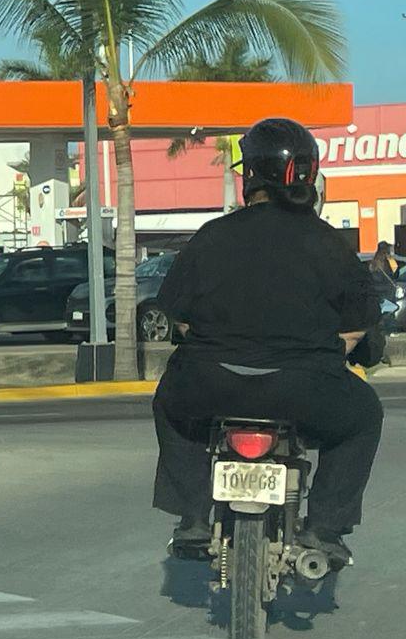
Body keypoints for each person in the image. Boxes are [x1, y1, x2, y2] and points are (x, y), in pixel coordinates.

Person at [150, 117, 383, 566]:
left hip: (210, 382)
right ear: (307, 175)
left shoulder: (212, 236)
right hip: (304, 389)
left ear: (251, 175)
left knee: (169, 404)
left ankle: (195, 516)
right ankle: (323, 528)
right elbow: (359, 324)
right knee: (364, 415)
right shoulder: (328, 243)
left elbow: (177, 317)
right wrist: (332, 353)